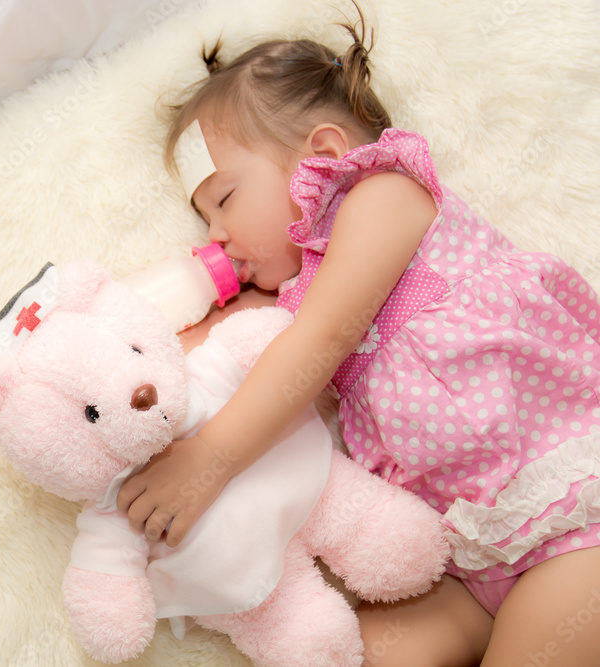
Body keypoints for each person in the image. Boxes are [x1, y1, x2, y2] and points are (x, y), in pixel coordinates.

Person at [115, 9, 600, 666]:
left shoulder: (384, 197)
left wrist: (210, 462)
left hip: (570, 514)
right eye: (203, 218)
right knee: (367, 652)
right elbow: (231, 362)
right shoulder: (291, 293)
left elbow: (320, 340)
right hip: (465, 557)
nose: (215, 237)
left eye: (225, 199)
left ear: (324, 156)